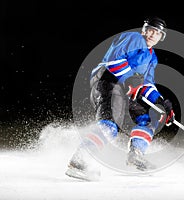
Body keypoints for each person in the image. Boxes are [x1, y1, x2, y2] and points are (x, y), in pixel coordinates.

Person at [65, 16, 175, 181]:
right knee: (109, 125)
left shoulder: (152, 57)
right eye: (151, 29)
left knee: (147, 119)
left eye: (158, 33)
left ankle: (135, 155)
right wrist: (130, 77)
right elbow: (113, 60)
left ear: (161, 37)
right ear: (144, 30)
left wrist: (160, 103)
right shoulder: (135, 38)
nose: (153, 34)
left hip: (125, 92)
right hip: (109, 82)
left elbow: (146, 84)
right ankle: (79, 161)